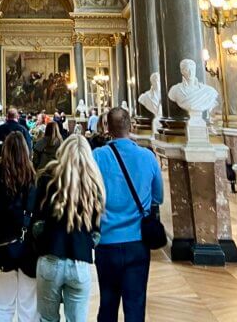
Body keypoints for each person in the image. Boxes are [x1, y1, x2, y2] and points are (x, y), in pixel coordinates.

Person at [93, 107, 163, 322]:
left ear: (107, 128)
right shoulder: (148, 157)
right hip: (137, 242)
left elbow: (89, 196)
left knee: (107, 305)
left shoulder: (97, 156)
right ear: (131, 125)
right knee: (135, 307)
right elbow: (158, 197)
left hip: (106, 242)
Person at [32, 133, 105, 322]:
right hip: (80, 260)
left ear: (62, 152)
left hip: (50, 256)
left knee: (47, 319)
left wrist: (43, 237)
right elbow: (97, 231)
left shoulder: (47, 179)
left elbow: (36, 223)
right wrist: (87, 243)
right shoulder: (93, 184)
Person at [0, 131, 38, 322]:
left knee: (2, 306)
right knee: (29, 308)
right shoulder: (34, 177)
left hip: (0, 249)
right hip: (29, 251)